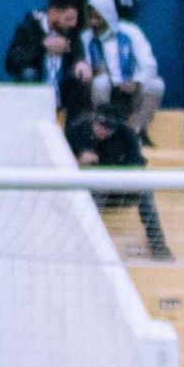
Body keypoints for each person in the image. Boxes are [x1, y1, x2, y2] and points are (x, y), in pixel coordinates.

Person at [66, 108, 174, 261]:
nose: (103, 132)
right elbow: (60, 163)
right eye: (100, 127)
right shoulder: (77, 130)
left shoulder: (127, 135)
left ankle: (159, 246)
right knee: (95, 189)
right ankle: (86, 245)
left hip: (119, 186)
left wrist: (116, 172)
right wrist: (78, 162)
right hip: (89, 186)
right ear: (93, 122)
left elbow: (137, 165)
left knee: (145, 191)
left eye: (108, 129)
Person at [81, 0, 163, 139]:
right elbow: (84, 68)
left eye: (98, 17)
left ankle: (135, 131)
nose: (94, 22)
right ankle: (103, 129)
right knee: (100, 82)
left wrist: (137, 82)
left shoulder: (131, 32)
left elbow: (149, 64)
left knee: (156, 85)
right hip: (104, 90)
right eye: (91, 17)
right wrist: (94, 71)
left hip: (130, 89)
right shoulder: (87, 37)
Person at [4, 0, 91, 116]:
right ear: (53, 13)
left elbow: (77, 50)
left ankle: (74, 125)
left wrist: (80, 62)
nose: (73, 24)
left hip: (62, 90)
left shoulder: (70, 31)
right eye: (68, 19)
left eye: (75, 20)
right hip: (38, 86)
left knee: (79, 77)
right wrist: (42, 47)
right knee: (29, 74)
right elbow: (11, 63)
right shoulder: (29, 29)